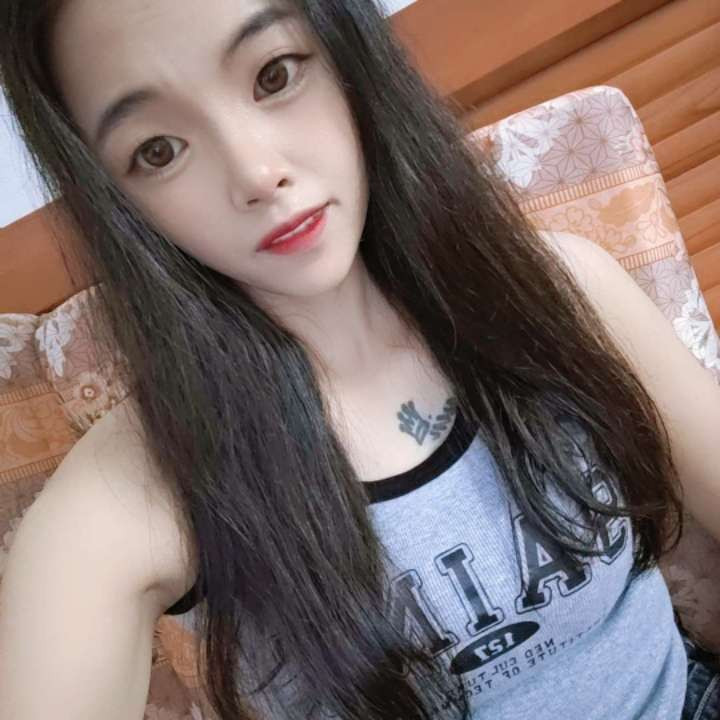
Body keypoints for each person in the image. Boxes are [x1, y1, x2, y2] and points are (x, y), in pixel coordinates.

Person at [0, 1, 719, 718]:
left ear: (349, 54)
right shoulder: (139, 485)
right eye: (158, 150)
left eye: (275, 74)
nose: (256, 173)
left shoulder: (560, 295)